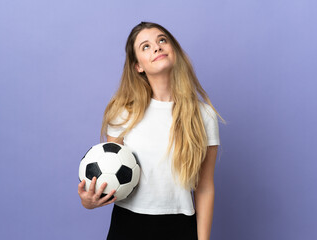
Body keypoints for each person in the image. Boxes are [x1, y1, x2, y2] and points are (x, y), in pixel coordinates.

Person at [78, 21, 224, 240]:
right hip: (128, 224)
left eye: (162, 40)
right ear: (138, 66)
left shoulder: (204, 116)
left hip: (180, 226)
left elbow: (204, 188)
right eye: (145, 46)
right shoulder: (124, 112)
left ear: (174, 50)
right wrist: (88, 201)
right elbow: (108, 175)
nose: (156, 47)